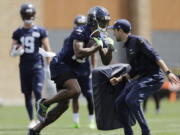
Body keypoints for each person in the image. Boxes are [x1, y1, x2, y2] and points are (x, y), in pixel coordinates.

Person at [28, 6, 114, 135]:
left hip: (73, 69)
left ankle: (35, 130)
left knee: (63, 106)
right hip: (61, 64)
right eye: (102, 21)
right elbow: (79, 53)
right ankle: (44, 103)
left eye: (106, 21)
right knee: (75, 90)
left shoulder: (101, 35)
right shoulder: (80, 30)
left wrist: (109, 49)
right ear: (94, 20)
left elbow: (106, 60)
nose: (104, 24)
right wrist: (98, 46)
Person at [109, 19, 180, 135]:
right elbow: (135, 70)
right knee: (119, 102)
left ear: (120, 30)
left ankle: (146, 132)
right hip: (141, 78)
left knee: (131, 100)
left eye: (114, 31)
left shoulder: (138, 41)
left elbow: (156, 57)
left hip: (154, 77)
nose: (113, 33)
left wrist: (168, 72)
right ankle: (128, 132)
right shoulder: (127, 46)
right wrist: (120, 79)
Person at [9, 3, 51, 129]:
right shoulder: (18, 32)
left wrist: (49, 66)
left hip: (37, 65)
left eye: (31, 14)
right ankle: (31, 119)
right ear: (23, 15)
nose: (29, 16)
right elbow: (11, 51)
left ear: (34, 15)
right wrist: (16, 51)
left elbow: (47, 48)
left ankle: (40, 118)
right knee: (27, 94)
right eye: (27, 14)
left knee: (37, 91)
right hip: (24, 66)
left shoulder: (40, 31)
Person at [70, 15, 96, 129]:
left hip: (85, 71)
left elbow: (93, 53)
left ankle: (92, 120)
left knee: (89, 96)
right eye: (78, 25)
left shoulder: (89, 38)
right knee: (74, 96)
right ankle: (76, 120)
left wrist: (93, 68)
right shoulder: (71, 38)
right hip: (74, 70)